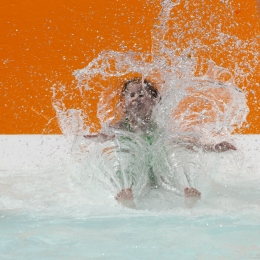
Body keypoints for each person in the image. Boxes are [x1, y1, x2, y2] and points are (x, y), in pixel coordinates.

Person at [84, 77, 236, 207]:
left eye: (142, 94)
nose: (136, 98)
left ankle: (186, 193)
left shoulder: (160, 126)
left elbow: (182, 142)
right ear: (124, 102)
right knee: (127, 169)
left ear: (155, 101)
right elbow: (106, 135)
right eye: (131, 95)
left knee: (174, 164)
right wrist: (100, 138)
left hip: (158, 172)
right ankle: (127, 195)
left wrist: (211, 148)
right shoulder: (121, 126)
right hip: (135, 170)